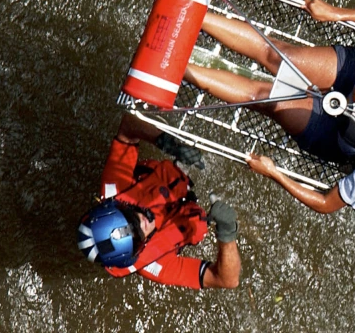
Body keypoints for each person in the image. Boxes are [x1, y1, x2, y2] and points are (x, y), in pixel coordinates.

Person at [184, 0, 355, 213]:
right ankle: (191, 10)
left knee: (265, 97)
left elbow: (326, 204)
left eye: (348, 112)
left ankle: (180, 68)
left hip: (332, 136)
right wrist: (335, 13)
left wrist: (275, 173)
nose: (343, 105)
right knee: (279, 56)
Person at [77, 114, 241, 289]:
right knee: (243, 226)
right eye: (138, 237)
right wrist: (227, 233)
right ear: (137, 251)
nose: (143, 222)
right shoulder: (156, 266)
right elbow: (226, 280)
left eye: (131, 217)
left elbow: (128, 124)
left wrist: (169, 144)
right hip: (192, 215)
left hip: (173, 178)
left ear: (117, 207)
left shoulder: (115, 188)